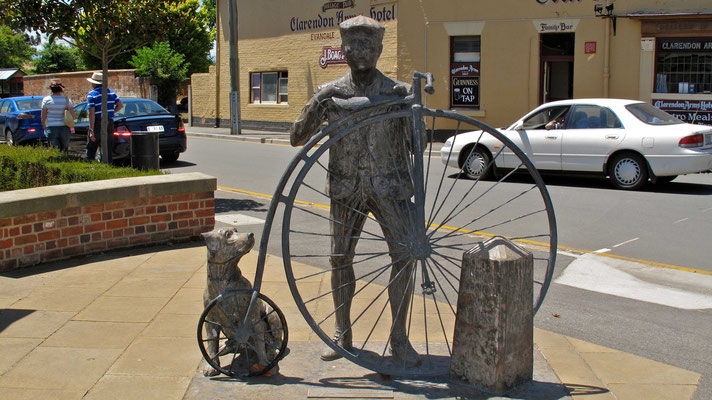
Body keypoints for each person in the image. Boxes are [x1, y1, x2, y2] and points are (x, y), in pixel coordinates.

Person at [290, 15, 420, 366]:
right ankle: (341, 333)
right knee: (339, 259)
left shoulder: (396, 92)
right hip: (347, 186)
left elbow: (415, 147)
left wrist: (412, 109)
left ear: (379, 49)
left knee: (406, 255)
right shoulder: (333, 93)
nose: (360, 51)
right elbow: (296, 137)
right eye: (354, 45)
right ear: (342, 49)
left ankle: (398, 338)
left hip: (390, 186)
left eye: (368, 45)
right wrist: (320, 99)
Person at [85, 72, 123, 162]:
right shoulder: (111, 92)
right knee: (107, 147)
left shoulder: (92, 94)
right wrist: (111, 113)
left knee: (91, 147)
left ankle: (90, 166)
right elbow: (120, 105)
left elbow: (91, 113)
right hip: (109, 122)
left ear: (94, 83)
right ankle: (108, 165)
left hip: (97, 122)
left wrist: (91, 129)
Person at [41, 79, 75, 151]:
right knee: (64, 149)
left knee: (55, 150)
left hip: (51, 126)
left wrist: (45, 128)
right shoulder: (66, 99)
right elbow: (73, 115)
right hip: (64, 127)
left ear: (51, 89)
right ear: (61, 89)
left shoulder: (46, 100)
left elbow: (43, 117)